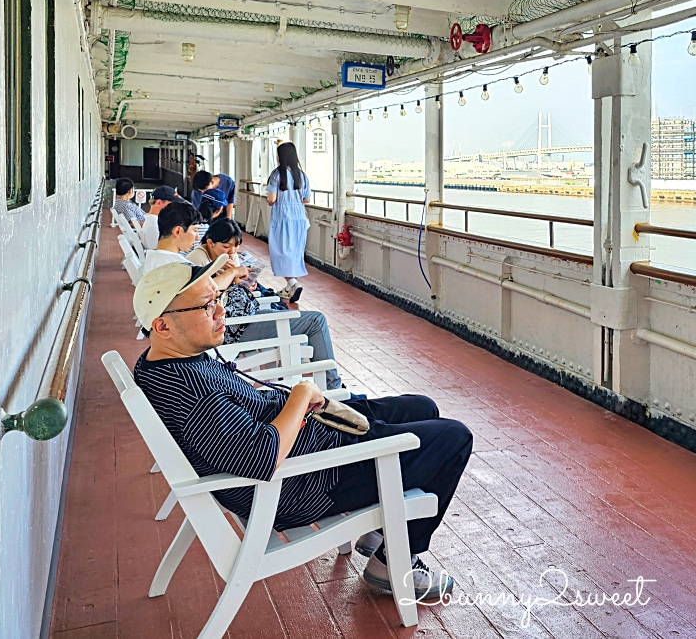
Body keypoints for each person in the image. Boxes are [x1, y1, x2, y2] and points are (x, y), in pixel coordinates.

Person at [131, 263, 470, 600]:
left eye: (217, 298)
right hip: (307, 481)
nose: (221, 309)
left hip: (307, 441)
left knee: (421, 406)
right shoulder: (192, 392)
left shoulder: (162, 362)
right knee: (454, 437)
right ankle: (391, 564)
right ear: (162, 326)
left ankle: (382, 533)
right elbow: (259, 457)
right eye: (207, 306)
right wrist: (301, 395)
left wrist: (298, 405)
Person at [188, 219, 340, 381]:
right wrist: (231, 274)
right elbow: (201, 292)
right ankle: (332, 383)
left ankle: (295, 380)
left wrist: (243, 283)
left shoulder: (222, 256)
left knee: (297, 325)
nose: (232, 252)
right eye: (226, 247)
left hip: (246, 315)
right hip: (236, 326)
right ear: (210, 243)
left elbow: (233, 284)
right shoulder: (198, 260)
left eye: (236, 246)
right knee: (316, 321)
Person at [266, 142, 311, 300]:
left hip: (283, 217)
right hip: (299, 218)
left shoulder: (276, 175)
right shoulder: (302, 175)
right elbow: (307, 199)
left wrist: (272, 200)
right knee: (294, 252)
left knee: (279, 251)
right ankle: (289, 287)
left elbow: (272, 199)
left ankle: (293, 283)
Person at [141, 185, 178, 251]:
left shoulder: (152, 221)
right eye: (171, 203)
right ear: (158, 203)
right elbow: (158, 251)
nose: (173, 206)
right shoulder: (153, 227)